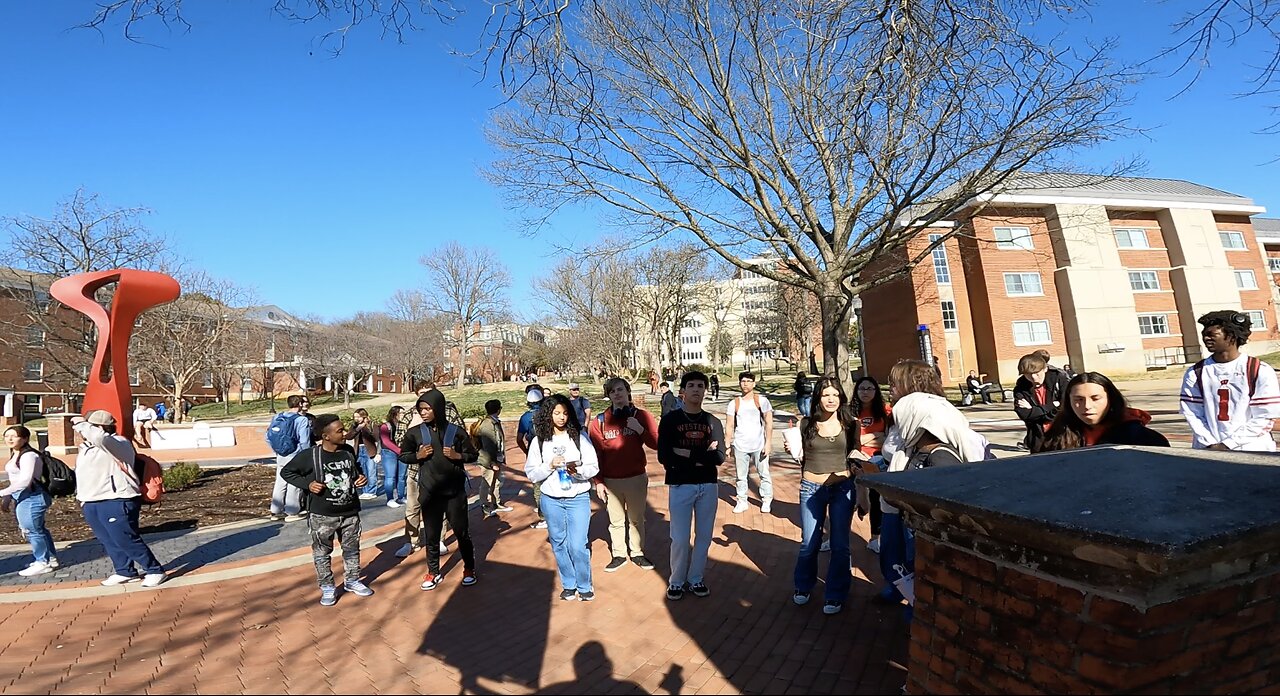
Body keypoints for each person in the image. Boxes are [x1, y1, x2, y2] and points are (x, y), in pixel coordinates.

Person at [785, 377, 860, 615]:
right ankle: (803, 585)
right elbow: (800, 455)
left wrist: (860, 468)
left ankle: (836, 593)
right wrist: (792, 450)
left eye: (835, 395)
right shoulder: (806, 423)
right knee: (809, 542)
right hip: (811, 488)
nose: (831, 399)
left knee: (840, 544)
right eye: (826, 394)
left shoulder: (850, 423)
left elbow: (855, 452)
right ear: (818, 397)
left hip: (842, 487)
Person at [281, 413, 374, 606]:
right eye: (339, 431)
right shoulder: (310, 455)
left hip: (350, 513)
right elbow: (287, 472)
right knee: (322, 552)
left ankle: (352, 580)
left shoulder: (348, 450)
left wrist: (360, 478)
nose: (344, 433)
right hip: (323, 515)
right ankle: (328, 587)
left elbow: (355, 470)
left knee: (352, 549)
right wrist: (308, 483)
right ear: (326, 436)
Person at [70, 410, 167, 587]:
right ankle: (124, 570)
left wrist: (81, 423)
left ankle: (154, 570)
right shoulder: (86, 448)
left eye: (88, 426)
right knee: (108, 539)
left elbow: (101, 439)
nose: (80, 431)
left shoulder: (118, 443)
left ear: (99, 427)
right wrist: (82, 499)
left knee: (125, 538)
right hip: (91, 501)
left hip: (117, 498)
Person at [401, 389, 480, 590]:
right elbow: (404, 455)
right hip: (429, 492)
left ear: (438, 408)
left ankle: (469, 568)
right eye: (421, 409)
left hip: (454, 492)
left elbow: (472, 455)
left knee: (462, 533)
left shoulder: (456, 432)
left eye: (428, 408)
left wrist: (458, 456)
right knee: (432, 534)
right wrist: (417, 456)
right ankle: (433, 572)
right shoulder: (415, 433)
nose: (424, 413)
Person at [525, 393, 601, 601]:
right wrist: (548, 466)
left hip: (578, 497)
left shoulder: (579, 437)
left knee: (578, 544)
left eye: (565, 413)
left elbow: (593, 467)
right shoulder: (539, 442)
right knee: (559, 542)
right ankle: (569, 583)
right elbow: (531, 473)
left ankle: (584, 584)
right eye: (556, 413)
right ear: (547, 415)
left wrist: (577, 471)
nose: (561, 417)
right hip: (551, 499)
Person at [658, 371, 726, 601]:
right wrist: (701, 453)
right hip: (680, 484)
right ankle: (676, 581)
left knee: (704, 536)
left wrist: (685, 452)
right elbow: (665, 456)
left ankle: (696, 578)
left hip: (708, 484)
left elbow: (719, 457)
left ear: (705, 390)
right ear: (683, 391)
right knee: (679, 536)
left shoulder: (713, 421)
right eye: (691, 385)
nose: (696, 389)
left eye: (700, 385)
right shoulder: (670, 420)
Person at [1180, 310, 1280, 451]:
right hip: (1207, 450)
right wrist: (1210, 443)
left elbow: (1265, 416)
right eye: (1204, 335)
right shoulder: (1196, 372)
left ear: (1232, 336)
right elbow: (1192, 412)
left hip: (1252, 450)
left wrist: (1227, 444)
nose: (1206, 339)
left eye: (1212, 335)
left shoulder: (1259, 369)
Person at [588, 377, 660, 573]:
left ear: (628, 392)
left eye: (620, 390)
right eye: (612, 392)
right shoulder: (600, 421)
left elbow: (656, 443)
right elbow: (596, 455)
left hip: (636, 477)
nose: (617, 394)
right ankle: (619, 554)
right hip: (611, 481)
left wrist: (640, 429)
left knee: (636, 519)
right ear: (609, 396)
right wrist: (599, 482)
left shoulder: (642, 416)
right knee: (616, 521)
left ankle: (637, 552)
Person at [1042, 373, 1170, 450]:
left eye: (1095, 398)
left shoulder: (1142, 438)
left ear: (1111, 399)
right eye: (1078, 399)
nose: (1087, 406)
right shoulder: (1055, 436)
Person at [1, 425, 60, 576]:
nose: (10, 439)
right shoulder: (16, 454)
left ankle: (42, 561)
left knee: (32, 530)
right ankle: (50, 558)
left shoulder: (28, 456)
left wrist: (2, 493)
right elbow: (15, 480)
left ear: (25, 438)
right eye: (7, 436)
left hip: (33, 496)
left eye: (14, 436)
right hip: (22, 496)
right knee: (38, 529)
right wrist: (8, 498)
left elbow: (25, 480)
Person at [726, 371, 774, 514]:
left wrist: (768, 443)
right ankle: (742, 501)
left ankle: (766, 499)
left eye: (748, 381)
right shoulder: (733, 403)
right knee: (741, 476)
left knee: (764, 473)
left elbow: (768, 423)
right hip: (740, 445)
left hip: (759, 444)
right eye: (743, 381)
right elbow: (729, 425)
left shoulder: (762, 401)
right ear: (739, 383)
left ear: (754, 383)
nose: (745, 383)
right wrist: (727, 444)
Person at [854, 376, 892, 554]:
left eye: (870, 388)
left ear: (876, 391)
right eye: (862, 389)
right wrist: (873, 436)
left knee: (877, 499)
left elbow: (888, 439)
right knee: (845, 499)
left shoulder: (885, 411)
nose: (865, 392)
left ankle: (875, 538)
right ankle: (834, 537)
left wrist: (865, 439)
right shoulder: (850, 411)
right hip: (855, 458)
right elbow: (853, 442)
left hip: (877, 460)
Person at [267, 395, 313, 522]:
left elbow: (268, 436)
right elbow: (304, 441)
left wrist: (277, 450)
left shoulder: (277, 417)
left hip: (281, 455)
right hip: (295, 454)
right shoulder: (301, 420)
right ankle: (292, 511)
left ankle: (276, 511)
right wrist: (306, 456)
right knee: (294, 483)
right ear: (299, 404)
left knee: (280, 482)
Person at [1013, 353, 1071, 453]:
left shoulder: (1060, 381)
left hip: (1064, 435)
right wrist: (1052, 406)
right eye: (1028, 374)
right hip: (1038, 439)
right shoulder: (1021, 388)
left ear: (1045, 369)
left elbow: (1066, 408)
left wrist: (1035, 410)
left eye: (1037, 373)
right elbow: (1025, 415)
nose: (1034, 378)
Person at [472, 399, 514, 518]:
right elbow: (488, 445)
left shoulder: (494, 422)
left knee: (496, 481)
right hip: (487, 460)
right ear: (498, 409)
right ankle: (484, 505)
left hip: (496, 458)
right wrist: (492, 462)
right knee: (487, 482)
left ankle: (496, 503)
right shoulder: (487, 425)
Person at [518, 385, 549, 530]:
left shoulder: (525, 417)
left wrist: (527, 451)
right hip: (550, 451)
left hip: (534, 453)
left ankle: (544, 517)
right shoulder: (548, 413)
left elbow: (519, 439)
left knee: (538, 486)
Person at [346, 409, 381, 501]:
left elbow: (377, 438)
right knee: (362, 471)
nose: (356, 419)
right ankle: (365, 490)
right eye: (355, 417)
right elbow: (348, 436)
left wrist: (378, 453)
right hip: (358, 450)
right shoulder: (354, 426)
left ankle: (371, 491)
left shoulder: (371, 424)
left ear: (364, 416)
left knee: (371, 471)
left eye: (358, 416)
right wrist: (357, 429)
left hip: (369, 450)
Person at [379, 406, 406, 506]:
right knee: (390, 477)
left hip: (402, 452)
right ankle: (390, 499)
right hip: (389, 453)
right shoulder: (386, 426)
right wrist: (399, 451)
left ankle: (401, 496)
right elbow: (386, 441)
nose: (404, 415)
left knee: (402, 476)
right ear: (395, 414)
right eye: (402, 413)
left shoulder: (404, 425)